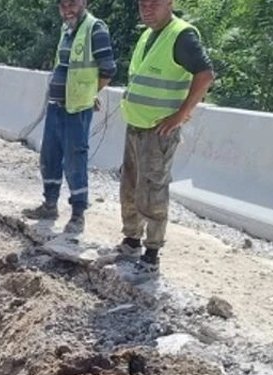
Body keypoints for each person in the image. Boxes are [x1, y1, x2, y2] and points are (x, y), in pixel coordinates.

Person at [117, 0, 215, 271]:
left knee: (152, 190)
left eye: (153, 3)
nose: (146, 9)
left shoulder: (181, 35)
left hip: (157, 130)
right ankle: (131, 240)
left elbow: (205, 75)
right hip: (136, 125)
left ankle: (151, 254)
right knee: (131, 187)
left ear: (169, 3)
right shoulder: (148, 35)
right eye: (142, 4)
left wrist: (181, 114)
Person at [21, 0, 117, 235]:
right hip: (56, 106)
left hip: (76, 109)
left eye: (72, 3)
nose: (67, 9)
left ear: (84, 2)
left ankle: (77, 214)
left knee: (75, 159)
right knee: (50, 156)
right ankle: (50, 205)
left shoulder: (95, 29)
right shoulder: (67, 30)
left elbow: (108, 69)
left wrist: (89, 93)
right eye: (63, 5)